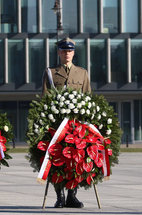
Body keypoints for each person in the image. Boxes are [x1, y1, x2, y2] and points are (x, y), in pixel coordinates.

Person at [42, 37, 91, 208]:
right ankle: (59, 196)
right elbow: (45, 99)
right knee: (57, 160)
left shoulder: (82, 73)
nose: (66, 54)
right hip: (57, 125)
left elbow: (87, 98)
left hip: (76, 126)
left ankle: (72, 195)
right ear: (58, 53)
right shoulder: (50, 72)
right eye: (63, 51)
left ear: (73, 53)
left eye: (69, 51)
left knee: (75, 160)